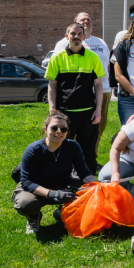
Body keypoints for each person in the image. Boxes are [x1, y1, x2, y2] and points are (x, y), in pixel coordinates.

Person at [13, 111, 97, 234]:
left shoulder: (73, 146)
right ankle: (33, 217)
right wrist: (53, 194)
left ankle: (62, 211)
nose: (59, 132)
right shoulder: (33, 150)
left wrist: (97, 184)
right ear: (45, 129)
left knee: (90, 192)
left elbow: (83, 171)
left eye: (63, 129)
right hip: (37, 186)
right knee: (25, 204)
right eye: (54, 128)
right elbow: (26, 182)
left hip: (63, 182)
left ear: (67, 132)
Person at [45, 22, 105, 174]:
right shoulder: (57, 58)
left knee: (88, 150)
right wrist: (52, 109)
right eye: (73, 33)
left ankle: (88, 181)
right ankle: (61, 178)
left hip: (88, 112)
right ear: (67, 36)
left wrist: (98, 110)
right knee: (61, 147)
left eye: (79, 34)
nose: (76, 36)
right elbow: (52, 85)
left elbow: (98, 85)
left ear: (84, 37)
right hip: (64, 113)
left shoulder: (93, 57)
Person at [53, 12, 112, 154]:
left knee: (98, 126)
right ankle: (71, 160)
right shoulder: (63, 43)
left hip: (103, 90)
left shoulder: (101, 42)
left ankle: (92, 155)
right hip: (78, 94)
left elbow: (108, 64)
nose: (86, 22)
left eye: (89, 19)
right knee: (72, 129)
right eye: (82, 20)